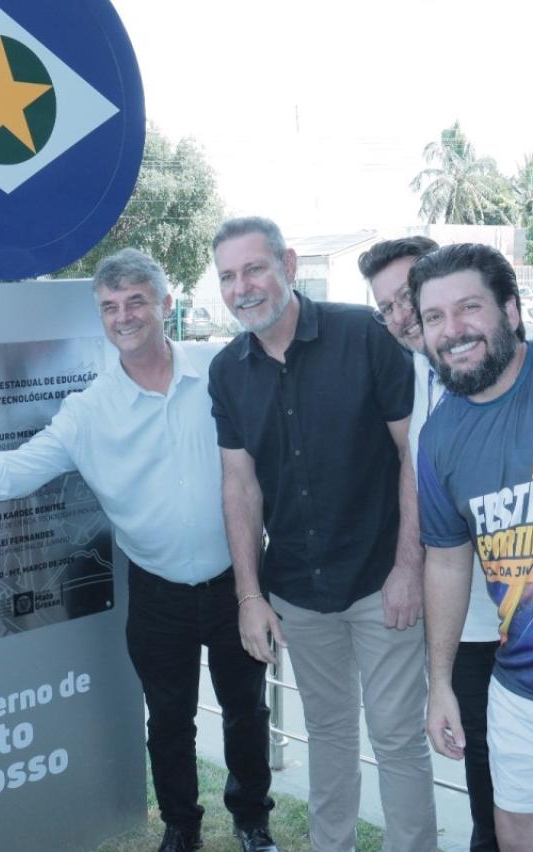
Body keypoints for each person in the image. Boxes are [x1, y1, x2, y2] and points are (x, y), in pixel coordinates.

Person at [0, 248, 276, 852]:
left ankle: (252, 819)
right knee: (168, 719)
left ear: (165, 304)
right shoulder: (88, 412)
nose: (124, 316)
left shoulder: (220, 371)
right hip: (157, 591)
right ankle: (181, 827)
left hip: (239, 581)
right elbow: (13, 473)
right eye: (110, 307)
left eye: (136, 301)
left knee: (246, 711)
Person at [358, 237, 533, 852]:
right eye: (430, 314)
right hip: (511, 677)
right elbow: (445, 555)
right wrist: (437, 681)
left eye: (468, 308)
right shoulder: (437, 426)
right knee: (503, 825)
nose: (448, 328)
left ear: (511, 310)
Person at [208, 217, 436, 851]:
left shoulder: (364, 335)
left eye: (254, 269)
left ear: (287, 265)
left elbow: (412, 453)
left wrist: (408, 567)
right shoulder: (228, 371)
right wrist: (249, 595)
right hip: (298, 591)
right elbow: (239, 486)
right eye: (227, 276)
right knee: (329, 732)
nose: (242, 287)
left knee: (396, 737)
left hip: (380, 579)